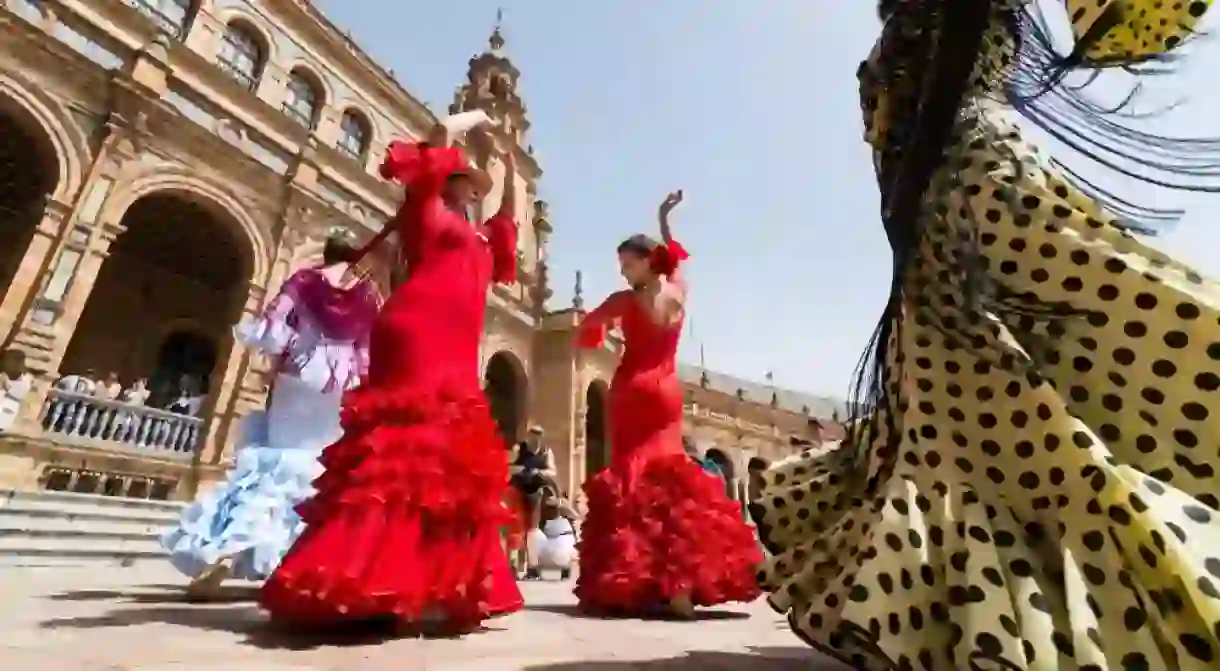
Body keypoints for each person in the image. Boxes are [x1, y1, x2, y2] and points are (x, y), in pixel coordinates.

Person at [749, 1, 1220, 668]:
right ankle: (988, 610)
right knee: (968, 402)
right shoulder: (908, 17)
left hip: (970, 181)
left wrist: (910, 192)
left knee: (1010, 379)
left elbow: (942, 94)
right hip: (938, 195)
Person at [260, 111, 524, 635]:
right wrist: (478, 121)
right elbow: (442, 133)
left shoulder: (483, 240)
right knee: (401, 449)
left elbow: (511, 215)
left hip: (457, 346)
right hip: (416, 330)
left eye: (476, 186)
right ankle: (362, 579)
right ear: (447, 180)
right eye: (465, 181)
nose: (472, 191)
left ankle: (429, 582)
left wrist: (511, 161)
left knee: (445, 459)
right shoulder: (425, 212)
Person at [161, 227, 379, 600]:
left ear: (326, 252)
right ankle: (292, 561)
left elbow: (274, 324)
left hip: (296, 378)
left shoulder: (305, 280)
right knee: (315, 471)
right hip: (335, 388)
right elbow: (367, 349)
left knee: (272, 467)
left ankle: (223, 554)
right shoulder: (366, 297)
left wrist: (279, 361)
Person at [574, 190, 761, 618]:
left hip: (629, 389)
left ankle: (637, 581)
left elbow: (587, 327)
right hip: (665, 391)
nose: (622, 272)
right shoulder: (677, 290)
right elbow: (675, 259)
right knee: (671, 481)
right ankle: (679, 589)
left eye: (627, 264)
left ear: (644, 261)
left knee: (633, 481)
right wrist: (664, 218)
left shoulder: (623, 302)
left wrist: (595, 337)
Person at [508, 425, 559, 578]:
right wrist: (522, 469)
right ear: (528, 435)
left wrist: (538, 472)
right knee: (517, 527)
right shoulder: (519, 449)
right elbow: (509, 467)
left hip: (536, 492)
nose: (535, 438)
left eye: (539, 435)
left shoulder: (546, 451)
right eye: (533, 434)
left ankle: (532, 566)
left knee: (533, 530)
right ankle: (516, 564)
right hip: (518, 491)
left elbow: (553, 471)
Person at [525, 488, 579, 581]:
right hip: (554, 550)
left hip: (561, 549)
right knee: (533, 533)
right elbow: (533, 525)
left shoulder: (560, 508)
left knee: (534, 533)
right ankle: (534, 572)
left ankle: (564, 569)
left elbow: (576, 517)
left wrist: (560, 503)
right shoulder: (541, 510)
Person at [0, 349, 33, 434]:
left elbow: (19, 393)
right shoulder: (4, 375)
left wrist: (6, 385)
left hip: (7, 410)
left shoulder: (26, 379)